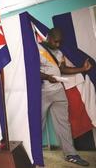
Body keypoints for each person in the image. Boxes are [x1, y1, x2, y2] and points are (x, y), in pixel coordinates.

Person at [39, 28, 92, 166]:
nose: (57, 45)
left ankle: (71, 154)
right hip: (42, 92)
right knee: (38, 124)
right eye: (55, 41)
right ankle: (34, 155)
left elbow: (63, 69)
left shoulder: (59, 52)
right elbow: (30, 70)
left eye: (59, 42)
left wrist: (82, 69)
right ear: (48, 37)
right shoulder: (36, 49)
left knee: (64, 124)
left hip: (58, 91)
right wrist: (47, 77)